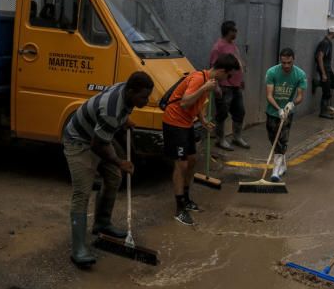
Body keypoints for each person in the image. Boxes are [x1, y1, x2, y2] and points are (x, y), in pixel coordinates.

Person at [62, 72, 154, 267]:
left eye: (147, 96)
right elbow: (98, 146)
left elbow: (109, 129)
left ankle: (101, 223)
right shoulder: (111, 111)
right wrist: (120, 162)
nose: (146, 101)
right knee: (82, 192)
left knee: (114, 178)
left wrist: (124, 121)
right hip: (79, 142)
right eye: (143, 97)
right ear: (130, 91)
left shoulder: (125, 92)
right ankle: (78, 249)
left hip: (97, 135)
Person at [163, 54, 240, 226]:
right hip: (174, 122)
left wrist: (203, 120)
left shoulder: (208, 81)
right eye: (228, 75)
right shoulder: (200, 79)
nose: (228, 80)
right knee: (181, 163)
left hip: (186, 123)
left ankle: (186, 197)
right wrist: (204, 88)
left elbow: (195, 103)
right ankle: (179, 208)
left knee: (192, 160)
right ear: (221, 71)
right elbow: (184, 103)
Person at [264, 48, 307, 183]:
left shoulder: (300, 74)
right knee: (273, 138)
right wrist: (278, 109)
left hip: (288, 111)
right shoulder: (272, 72)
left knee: (282, 139)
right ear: (280, 61)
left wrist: (291, 104)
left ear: (293, 60)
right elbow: (269, 95)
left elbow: (300, 96)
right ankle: (282, 162)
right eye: (284, 63)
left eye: (289, 62)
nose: (286, 66)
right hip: (272, 111)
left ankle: (275, 171)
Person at [208, 20, 249, 151]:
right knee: (222, 113)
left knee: (240, 111)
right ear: (228, 31)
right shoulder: (218, 47)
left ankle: (237, 137)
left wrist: (241, 79)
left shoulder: (233, 45)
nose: (236, 33)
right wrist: (217, 86)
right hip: (224, 86)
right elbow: (213, 68)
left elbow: (238, 63)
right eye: (234, 30)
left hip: (236, 86)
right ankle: (220, 139)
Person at [314, 27, 334, 119]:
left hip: (328, 69)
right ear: (332, 33)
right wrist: (323, 73)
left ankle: (317, 83)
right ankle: (323, 112)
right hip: (324, 70)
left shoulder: (328, 42)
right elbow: (320, 57)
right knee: (327, 93)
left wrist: (330, 67)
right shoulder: (325, 43)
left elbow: (326, 58)